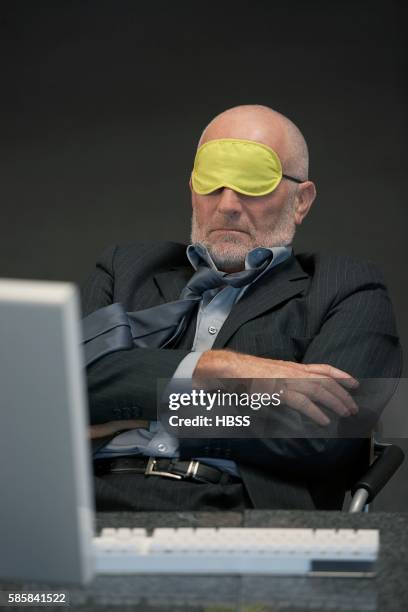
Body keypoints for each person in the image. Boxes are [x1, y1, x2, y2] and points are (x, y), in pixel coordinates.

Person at [82, 104, 402, 512]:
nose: (228, 204)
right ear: (193, 190)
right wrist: (213, 369)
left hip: (239, 512)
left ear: (301, 201)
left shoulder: (347, 288)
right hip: (88, 506)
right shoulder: (125, 268)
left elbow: (325, 432)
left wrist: (141, 405)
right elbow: (68, 386)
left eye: (253, 183)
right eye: (212, 183)